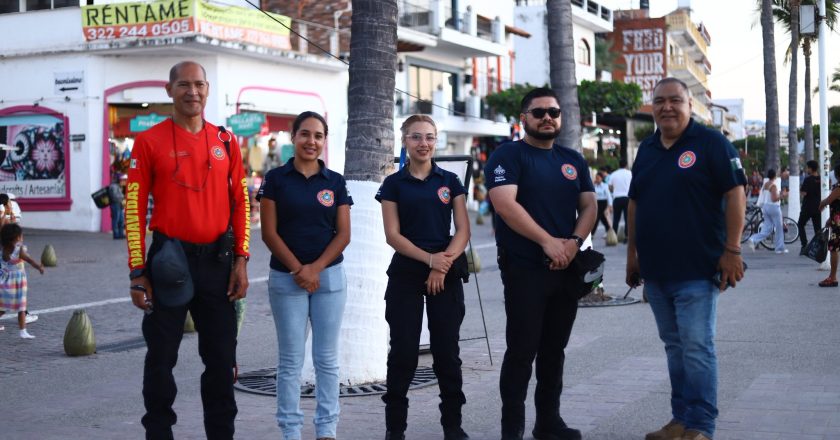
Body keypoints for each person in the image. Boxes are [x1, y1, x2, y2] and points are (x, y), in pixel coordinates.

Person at [124, 61, 250, 440]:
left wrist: (242, 259)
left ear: (208, 89)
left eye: (198, 84)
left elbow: (240, 203)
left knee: (221, 362)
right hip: (167, 263)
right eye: (183, 85)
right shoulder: (148, 142)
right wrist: (136, 271)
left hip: (218, 263)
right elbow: (133, 207)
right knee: (161, 362)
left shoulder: (227, 141)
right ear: (169, 90)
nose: (191, 92)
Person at [626, 77, 746, 440]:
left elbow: (736, 193)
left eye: (674, 100)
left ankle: (700, 426)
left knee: (696, 348)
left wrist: (733, 250)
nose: (666, 107)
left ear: (690, 105)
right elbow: (635, 203)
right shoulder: (646, 149)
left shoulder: (711, 143)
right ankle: (680, 420)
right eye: (659, 101)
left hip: (698, 268)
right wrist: (632, 254)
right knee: (676, 349)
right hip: (657, 271)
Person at [485, 87, 597, 440]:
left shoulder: (573, 160)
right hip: (525, 270)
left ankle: (548, 422)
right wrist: (549, 243)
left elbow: (590, 206)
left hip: (565, 269)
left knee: (554, 351)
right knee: (522, 350)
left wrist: (573, 244)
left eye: (553, 112)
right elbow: (505, 204)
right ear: (524, 119)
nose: (547, 117)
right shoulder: (508, 155)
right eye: (539, 112)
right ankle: (511, 430)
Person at [257, 111, 351, 440]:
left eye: (319, 136)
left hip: (329, 279)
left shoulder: (335, 182)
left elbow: (343, 235)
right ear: (293, 137)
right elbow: (269, 233)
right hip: (286, 280)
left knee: (326, 360)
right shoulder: (275, 180)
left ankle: (327, 429)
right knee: (290, 361)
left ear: (325, 141)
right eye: (305, 134)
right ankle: (291, 431)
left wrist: (315, 269)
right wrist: (299, 270)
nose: (312, 141)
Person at [376, 115, 471, 440]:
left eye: (429, 137)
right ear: (405, 140)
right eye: (416, 137)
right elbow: (392, 235)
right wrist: (430, 260)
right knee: (403, 352)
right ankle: (395, 429)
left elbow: (463, 230)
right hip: (406, 272)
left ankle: (453, 427)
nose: (424, 143)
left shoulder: (450, 181)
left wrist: (440, 265)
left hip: (445, 271)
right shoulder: (393, 184)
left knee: (447, 352)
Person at [0, 224, 45, 337]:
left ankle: (23, 331)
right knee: (14, 307)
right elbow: (29, 260)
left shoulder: (6, 249)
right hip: (13, 282)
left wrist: (38, 266)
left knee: (12, 307)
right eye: (20, 236)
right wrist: (39, 267)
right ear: (15, 238)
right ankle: (23, 331)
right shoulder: (17, 250)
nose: (21, 238)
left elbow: (29, 260)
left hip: (11, 282)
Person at [746, 169, 788, 254]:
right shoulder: (773, 186)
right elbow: (774, 199)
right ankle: (779, 248)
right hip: (773, 207)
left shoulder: (765, 184)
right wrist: (783, 195)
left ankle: (753, 239)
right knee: (779, 228)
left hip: (765, 207)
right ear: (775, 176)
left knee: (767, 228)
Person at [817, 164, 840, 287]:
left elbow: (828, 200)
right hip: (836, 221)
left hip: (838, 225)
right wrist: (830, 219)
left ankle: (832, 277)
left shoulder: (839, 188)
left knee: (834, 249)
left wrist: (822, 204)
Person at [798, 160, 821, 254]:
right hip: (818, 207)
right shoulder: (821, 179)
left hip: (807, 207)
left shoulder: (807, 180)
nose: (807, 169)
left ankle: (804, 245)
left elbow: (804, 193)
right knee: (817, 229)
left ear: (811, 168)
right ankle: (819, 248)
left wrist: (800, 190)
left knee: (800, 224)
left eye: (807, 167)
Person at [609, 158, 632, 241]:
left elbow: (610, 187)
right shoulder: (630, 173)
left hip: (617, 198)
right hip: (627, 198)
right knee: (627, 218)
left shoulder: (613, 174)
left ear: (619, 165)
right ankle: (626, 237)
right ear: (626, 165)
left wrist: (615, 190)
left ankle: (614, 236)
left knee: (616, 219)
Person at [592, 171, 613, 237]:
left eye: (598, 178)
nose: (597, 179)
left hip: (603, 203)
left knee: (597, 218)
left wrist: (610, 205)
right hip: (596, 203)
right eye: (596, 178)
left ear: (601, 178)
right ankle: (609, 230)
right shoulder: (594, 185)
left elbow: (608, 195)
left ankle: (592, 234)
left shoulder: (605, 185)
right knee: (602, 218)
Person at [108, 174, 127, 239]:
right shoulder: (113, 186)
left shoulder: (118, 186)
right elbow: (114, 196)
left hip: (119, 204)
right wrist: (123, 197)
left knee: (121, 220)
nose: (123, 181)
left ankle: (121, 234)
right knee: (116, 220)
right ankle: (116, 234)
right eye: (122, 180)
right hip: (115, 204)